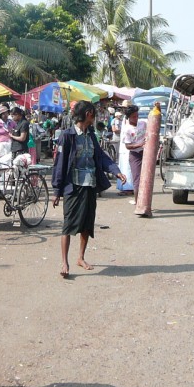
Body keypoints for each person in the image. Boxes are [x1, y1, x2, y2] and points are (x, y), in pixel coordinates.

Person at [51, 101, 125, 278]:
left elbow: (100, 156)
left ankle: (81, 258)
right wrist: (56, 191)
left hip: (90, 186)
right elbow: (59, 164)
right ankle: (64, 262)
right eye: (94, 114)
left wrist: (116, 171)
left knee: (87, 224)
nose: (96, 117)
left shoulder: (91, 135)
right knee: (68, 225)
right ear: (89, 114)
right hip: (73, 187)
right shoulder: (67, 136)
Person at [121, 105, 147, 209]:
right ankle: (138, 202)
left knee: (146, 178)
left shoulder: (143, 123)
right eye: (133, 116)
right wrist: (140, 145)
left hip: (145, 153)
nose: (136, 118)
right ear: (129, 117)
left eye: (137, 116)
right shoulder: (127, 130)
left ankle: (146, 201)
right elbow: (128, 146)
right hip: (135, 155)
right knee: (137, 180)